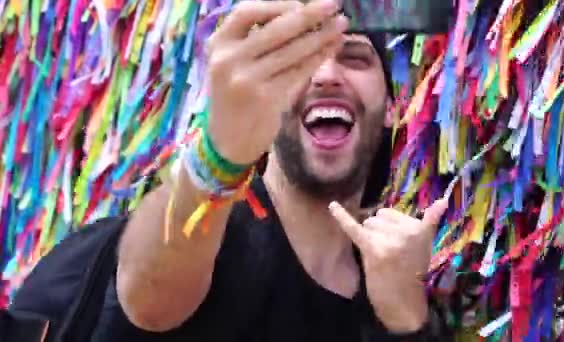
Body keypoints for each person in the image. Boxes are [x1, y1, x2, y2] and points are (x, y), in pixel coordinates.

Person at [9, 0, 450, 340]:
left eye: (353, 57)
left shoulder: (397, 282)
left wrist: (409, 322)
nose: (325, 75)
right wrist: (219, 155)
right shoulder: (210, 235)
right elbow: (150, 296)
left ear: (393, 108)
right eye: (298, 63)